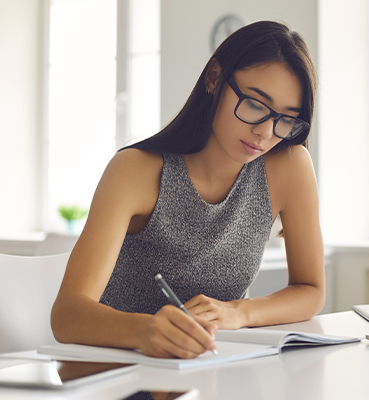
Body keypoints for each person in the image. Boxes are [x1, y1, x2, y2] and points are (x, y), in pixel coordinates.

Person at [50, 21, 324, 359]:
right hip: (117, 372)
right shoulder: (136, 170)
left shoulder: (289, 166)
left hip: (209, 370)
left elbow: (311, 290)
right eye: (255, 104)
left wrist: (238, 312)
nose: (265, 132)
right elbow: (66, 315)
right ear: (214, 78)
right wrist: (144, 330)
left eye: (285, 119)